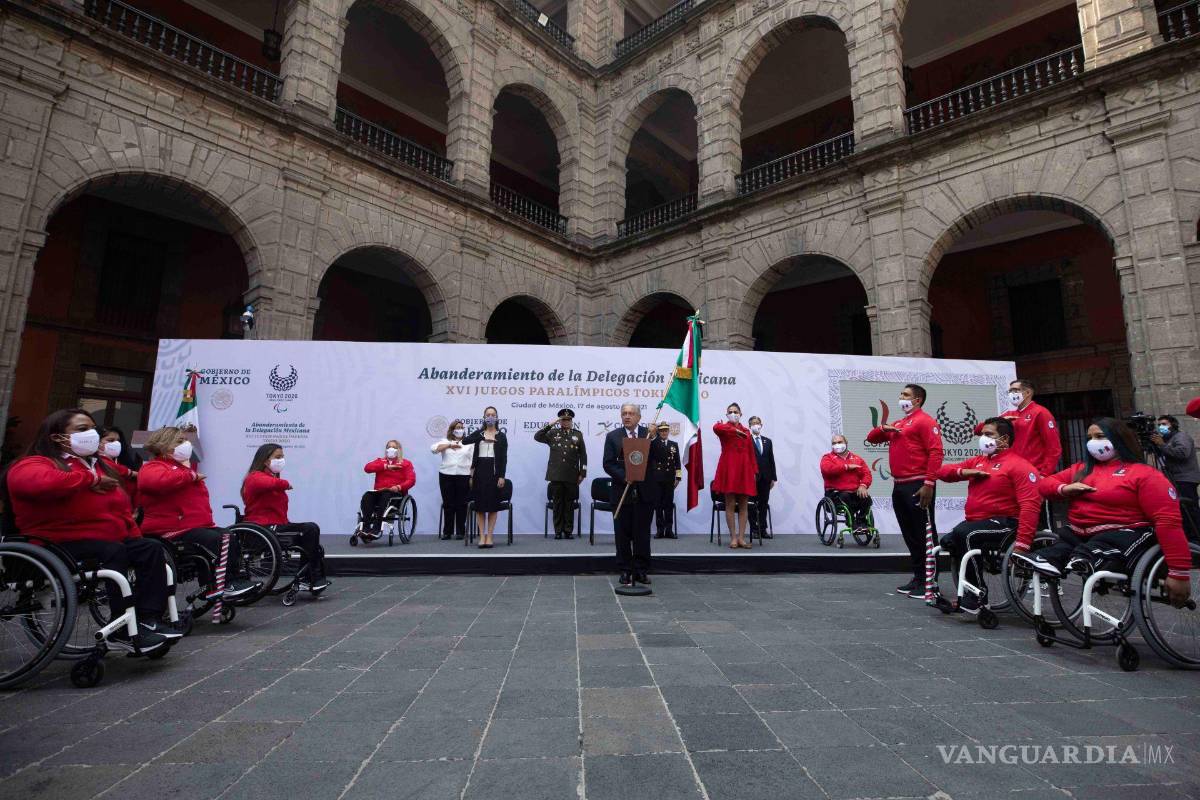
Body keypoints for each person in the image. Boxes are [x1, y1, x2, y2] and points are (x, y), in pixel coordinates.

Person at [1, 409, 179, 652]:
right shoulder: (35, 463)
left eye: (93, 428)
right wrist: (89, 479)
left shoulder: (99, 466)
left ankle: (148, 619)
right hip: (55, 542)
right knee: (112, 551)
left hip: (105, 537)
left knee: (150, 549)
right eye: (82, 429)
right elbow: (36, 483)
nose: (92, 434)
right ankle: (121, 629)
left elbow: (122, 512)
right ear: (57, 437)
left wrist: (134, 538)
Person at [1012, 418, 1191, 608]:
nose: (1093, 442)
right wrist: (1065, 489)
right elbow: (1045, 484)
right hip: (1080, 533)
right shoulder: (1082, 469)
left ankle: (1083, 560)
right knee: (1062, 544)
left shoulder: (1144, 474)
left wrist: (1179, 572)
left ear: (1118, 439)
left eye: (1100, 436)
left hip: (1124, 533)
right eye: (1089, 437)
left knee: (1094, 548)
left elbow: (1168, 521)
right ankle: (1049, 560)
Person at [138, 427, 260, 600]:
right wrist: (190, 477)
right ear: (165, 446)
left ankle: (229, 581)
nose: (187, 444)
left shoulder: (181, 468)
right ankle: (225, 584)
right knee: (217, 539)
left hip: (191, 525)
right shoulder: (152, 467)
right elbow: (155, 482)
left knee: (229, 536)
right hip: (169, 528)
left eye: (185, 440)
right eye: (180, 441)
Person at [935, 417, 1041, 613]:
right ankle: (962, 590)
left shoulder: (1019, 465)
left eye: (989, 434)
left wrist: (1023, 544)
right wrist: (965, 472)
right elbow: (941, 472)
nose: (983, 438)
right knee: (951, 539)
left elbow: (1030, 505)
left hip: (1007, 523)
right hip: (979, 521)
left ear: (1005, 439)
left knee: (965, 533)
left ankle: (977, 595)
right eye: (982, 434)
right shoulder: (979, 461)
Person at [867, 383, 944, 596]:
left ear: (917, 399)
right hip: (899, 484)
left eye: (906, 394)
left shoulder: (925, 421)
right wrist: (884, 428)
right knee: (910, 534)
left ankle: (930, 583)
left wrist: (929, 483)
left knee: (925, 534)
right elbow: (872, 438)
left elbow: (936, 452)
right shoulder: (900, 423)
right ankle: (919, 577)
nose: (901, 397)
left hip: (918, 484)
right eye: (901, 394)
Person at [241, 443, 330, 593]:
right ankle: (311, 577)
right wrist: (285, 483)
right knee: (310, 528)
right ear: (265, 460)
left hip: (276, 525)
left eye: (282, 457)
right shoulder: (254, 477)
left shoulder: (270, 478)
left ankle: (308, 579)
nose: (282, 460)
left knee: (311, 540)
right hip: (262, 527)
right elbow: (267, 483)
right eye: (278, 457)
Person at [603, 403, 652, 586]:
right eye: (624, 413)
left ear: (638, 417)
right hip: (621, 492)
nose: (627, 416)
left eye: (631, 413)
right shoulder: (613, 436)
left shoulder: (649, 434)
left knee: (642, 534)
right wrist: (626, 476)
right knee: (622, 534)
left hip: (644, 493)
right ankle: (625, 570)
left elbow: (656, 461)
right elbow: (608, 463)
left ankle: (641, 570)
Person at [534, 408, 586, 540]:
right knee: (557, 504)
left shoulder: (578, 435)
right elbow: (537, 436)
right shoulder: (553, 433)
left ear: (571, 421)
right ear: (560, 421)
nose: (566, 422)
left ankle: (568, 531)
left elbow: (583, 455)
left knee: (569, 503)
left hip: (571, 475)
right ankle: (558, 531)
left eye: (568, 420)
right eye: (563, 420)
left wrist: (583, 473)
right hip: (556, 475)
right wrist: (551, 424)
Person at [713, 402, 757, 549]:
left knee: (744, 505)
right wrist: (733, 430)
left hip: (744, 471)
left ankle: (741, 538)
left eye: (736, 411)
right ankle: (732, 538)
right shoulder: (724, 429)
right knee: (730, 504)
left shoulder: (747, 431)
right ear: (727, 414)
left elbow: (751, 454)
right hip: (729, 470)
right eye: (730, 412)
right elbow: (715, 427)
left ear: (741, 414)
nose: (733, 413)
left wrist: (754, 472)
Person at [1150, 415, 1200, 541]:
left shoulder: (1181, 437)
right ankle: (1189, 535)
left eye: (1164, 424)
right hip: (1175, 478)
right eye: (1159, 424)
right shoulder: (1168, 439)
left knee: (1190, 508)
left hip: (1185, 478)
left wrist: (1162, 445)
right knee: (1181, 509)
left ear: (1173, 425)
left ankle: (1196, 536)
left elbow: (1182, 453)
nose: (1161, 427)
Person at [464, 407, 507, 549]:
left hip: (494, 472)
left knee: (493, 506)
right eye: (488, 415)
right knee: (481, 506)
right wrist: (482, 437)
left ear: (497, 417)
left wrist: (502, 476)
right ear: (484, 417)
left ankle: (490, 536)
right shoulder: (478, 433)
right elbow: (465, 441)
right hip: (480, 471)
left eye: (493, 415)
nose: (490, 417)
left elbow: (504, 458)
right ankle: (482, 536)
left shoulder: (501, 435)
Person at [1001, 379, 1062, 475]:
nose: (1011, 394)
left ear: (1028, 392)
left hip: (1034, 472)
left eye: (1015, 390)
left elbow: (1054, 447)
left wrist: (1044, 473)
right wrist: (1000, 421)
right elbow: (980, 429)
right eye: (1010, 391)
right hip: (1013, 471)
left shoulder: (1040, 412)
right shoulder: (1009, 414)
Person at [360, 440, 415, 536]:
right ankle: (366, 526)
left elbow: (411, 480)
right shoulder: (380, 461)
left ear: (399, 450)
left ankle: (377, 528)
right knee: (367, 496)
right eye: (389, 447)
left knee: (386, 495)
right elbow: (367, 468)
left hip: (395, 493)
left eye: (394, 447)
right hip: (379, 491)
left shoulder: (406, 463)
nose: (391, 449)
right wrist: (386, 466)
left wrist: (399, 487)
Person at [820, 434, 872, 532]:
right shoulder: (827, 458)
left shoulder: (857, 459)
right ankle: (852, 521)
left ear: (846, 443)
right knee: (845, 496)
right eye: (834, 443)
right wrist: (846, 467)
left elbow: (867, 474)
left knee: (866, 498)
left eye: (839, 442)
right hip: (836, 493)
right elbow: (826, 470)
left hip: (854, 491)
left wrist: (863, 485)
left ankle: (861, 521)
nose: (837, 445)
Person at [431, 420, 472, 540]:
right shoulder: (445, 441)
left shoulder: (468, 443)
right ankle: (447, 531)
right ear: (452, 430)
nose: (460, 429)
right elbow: (434, 449)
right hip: (446, 475)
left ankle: (460, 531)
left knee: (461, 504)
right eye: (457, 427)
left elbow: (473, 460)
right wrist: (449, 445)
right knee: (448, 504)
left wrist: (472, 476)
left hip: (464, 475)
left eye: (461, 427)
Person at [647, 422, 680, 539]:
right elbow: (650, 461)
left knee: (668, 505)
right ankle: (660, 530)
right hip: (657, 479)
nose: (664, 432)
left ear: (668, 431)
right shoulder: (653, 444)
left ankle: (669, 530)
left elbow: (677, 463)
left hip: (670, 479)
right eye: (661, 431)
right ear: (658, 432)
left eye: (666, 430)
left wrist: (678, 478)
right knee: (658, 505)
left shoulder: (674, 444)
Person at [748, 416, 776, 539]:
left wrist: (773, 478)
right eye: (753, 423)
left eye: (757, 423)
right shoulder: (747, 440)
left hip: (766, 478)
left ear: (761, 425)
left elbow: (771, 460)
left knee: (763, 504)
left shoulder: (767, 441)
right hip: (752, 478)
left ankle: (763, 529)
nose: (756, 425)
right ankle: (754, 529)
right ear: (749, 426)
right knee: (752, 504)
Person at [99, 426, 138, 506]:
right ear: (97, 441)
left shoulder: (121, 461)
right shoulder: (96, 462)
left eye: (118, 441)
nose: (116, 443)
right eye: (111, 440)